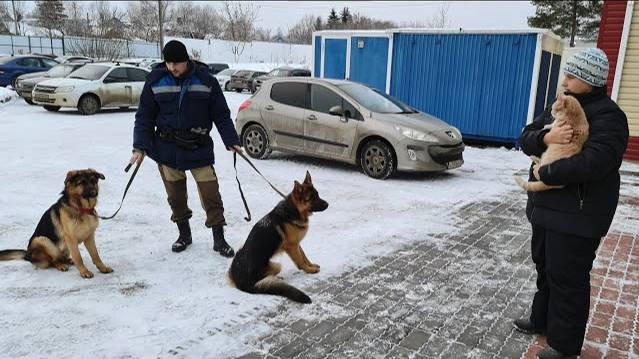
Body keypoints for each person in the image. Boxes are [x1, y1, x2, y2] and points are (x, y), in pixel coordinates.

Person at [515, 48, 629, 359]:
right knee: (544, 267)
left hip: (578, 214)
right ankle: (542, 320)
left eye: (571, 75)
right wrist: (544, 140)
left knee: (568, 279)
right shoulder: (561, 105)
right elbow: (525, 137)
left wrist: (547, 172)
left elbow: (596, 162)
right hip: (544, 209)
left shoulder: (609, 116)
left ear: (589, 80)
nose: (564, 79)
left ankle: (565, 347)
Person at [131, 40, 241, 258]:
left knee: (211, 194)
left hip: (198, 147)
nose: (173, 68)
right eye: (169, 63)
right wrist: (139, 146)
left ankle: (219, 239)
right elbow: (144, 116)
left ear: (186, 60)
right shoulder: (155, 80)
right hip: (167, 149)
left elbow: (220, 113)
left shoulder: (206, 79)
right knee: (176, 196)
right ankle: (184, 235)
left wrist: (231, 139)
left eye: (177, 63)